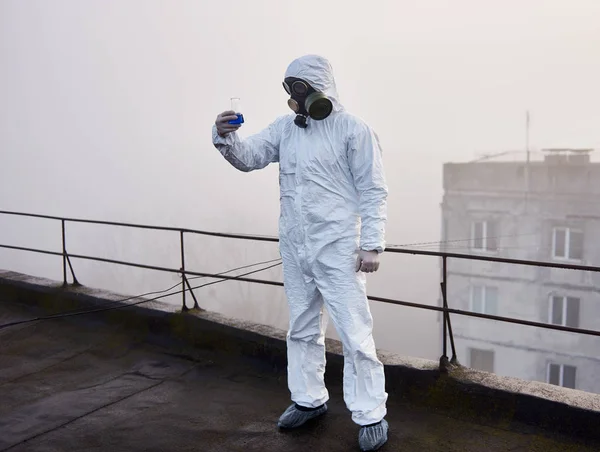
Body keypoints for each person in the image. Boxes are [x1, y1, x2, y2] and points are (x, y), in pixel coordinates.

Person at [212, 54, 389, 452]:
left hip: (339, 249)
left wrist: (372, 244)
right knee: (302, 328)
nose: (296, 95)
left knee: (356, 334)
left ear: (318, 85)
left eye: (301, 86)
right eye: (290, 88)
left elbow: (374, 190)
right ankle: (308, 400)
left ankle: (371, 413)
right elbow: (250, 157)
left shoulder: (353, 130)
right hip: (295, 247)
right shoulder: (286, 129)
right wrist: (226, 136)